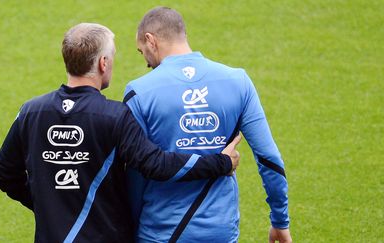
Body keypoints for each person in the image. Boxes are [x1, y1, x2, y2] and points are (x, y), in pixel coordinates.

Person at [0, 23, 242, 243]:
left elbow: (4, 174)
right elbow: (157, 164)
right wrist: (220, 162)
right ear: (103, 63)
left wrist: (45, 204)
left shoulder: (31, 112)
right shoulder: (114, 116)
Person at [124, 7, 292, 243]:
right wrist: (280, 221)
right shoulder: (238, 81)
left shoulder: (139, 91)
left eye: (141, 52)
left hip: (160, 233)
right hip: (219, 232)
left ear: (150, 41)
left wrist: (130, 229)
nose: (145, 62)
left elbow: (135, 171)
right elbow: (268, 157)